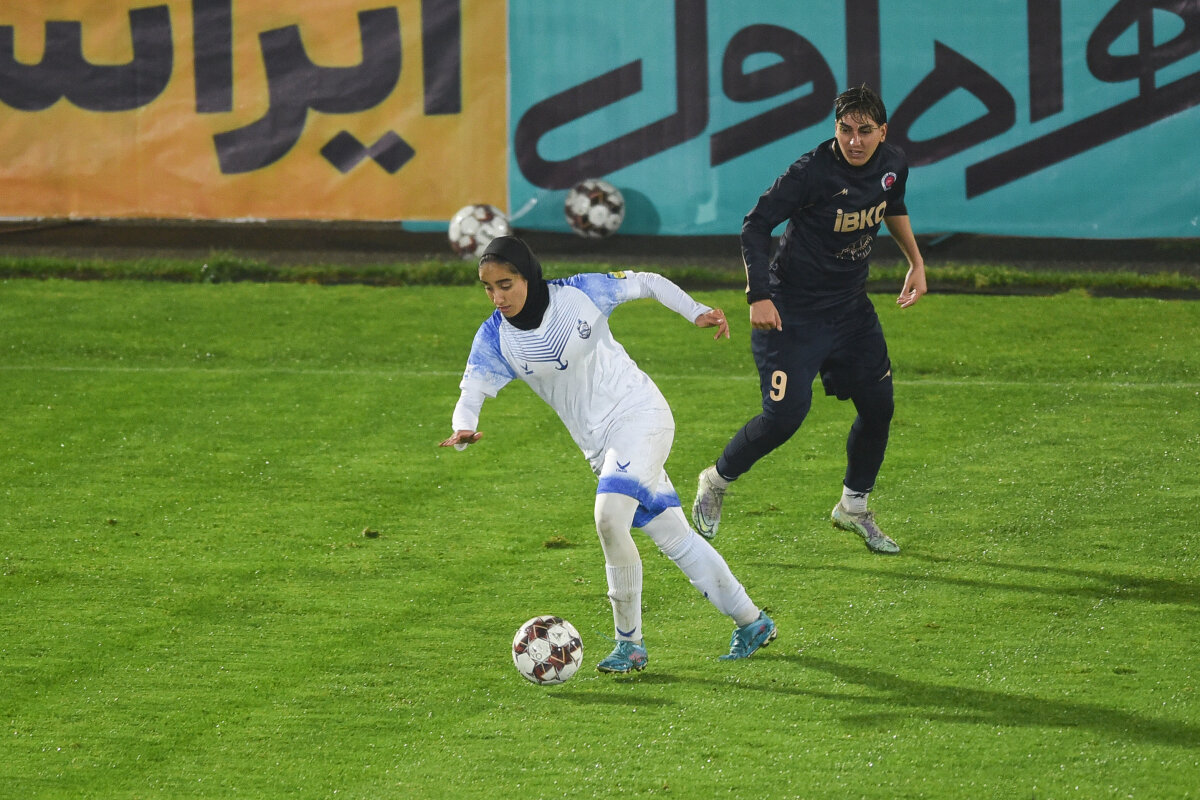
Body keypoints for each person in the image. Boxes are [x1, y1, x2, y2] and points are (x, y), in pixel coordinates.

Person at [440, 235, 777, 673]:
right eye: (488, 288)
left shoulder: (580, 293)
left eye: (505, 285)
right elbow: (471, 392)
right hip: (601, 448)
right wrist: (462, 428)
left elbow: (647, 281)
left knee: (608, 518)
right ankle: (752, 622)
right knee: (674, 537)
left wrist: (695, 311)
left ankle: (629, 644)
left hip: (640, 415)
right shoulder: (495, 337)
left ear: (528, 275)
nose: (497, 297)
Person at [692, 84, 927, 555]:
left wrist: (916, 262)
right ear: (835, 129)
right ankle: (715, 480)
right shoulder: (811, 172)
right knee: (784, 418)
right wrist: (759, 295)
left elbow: (893, 204)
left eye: (864, 131)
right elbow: (756, 224)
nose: (854, 140)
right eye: (845, 129)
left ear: (883, 132)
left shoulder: (893, 164)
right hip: (792, 312)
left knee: (878, 407)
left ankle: (854, 507)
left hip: (851, 309)